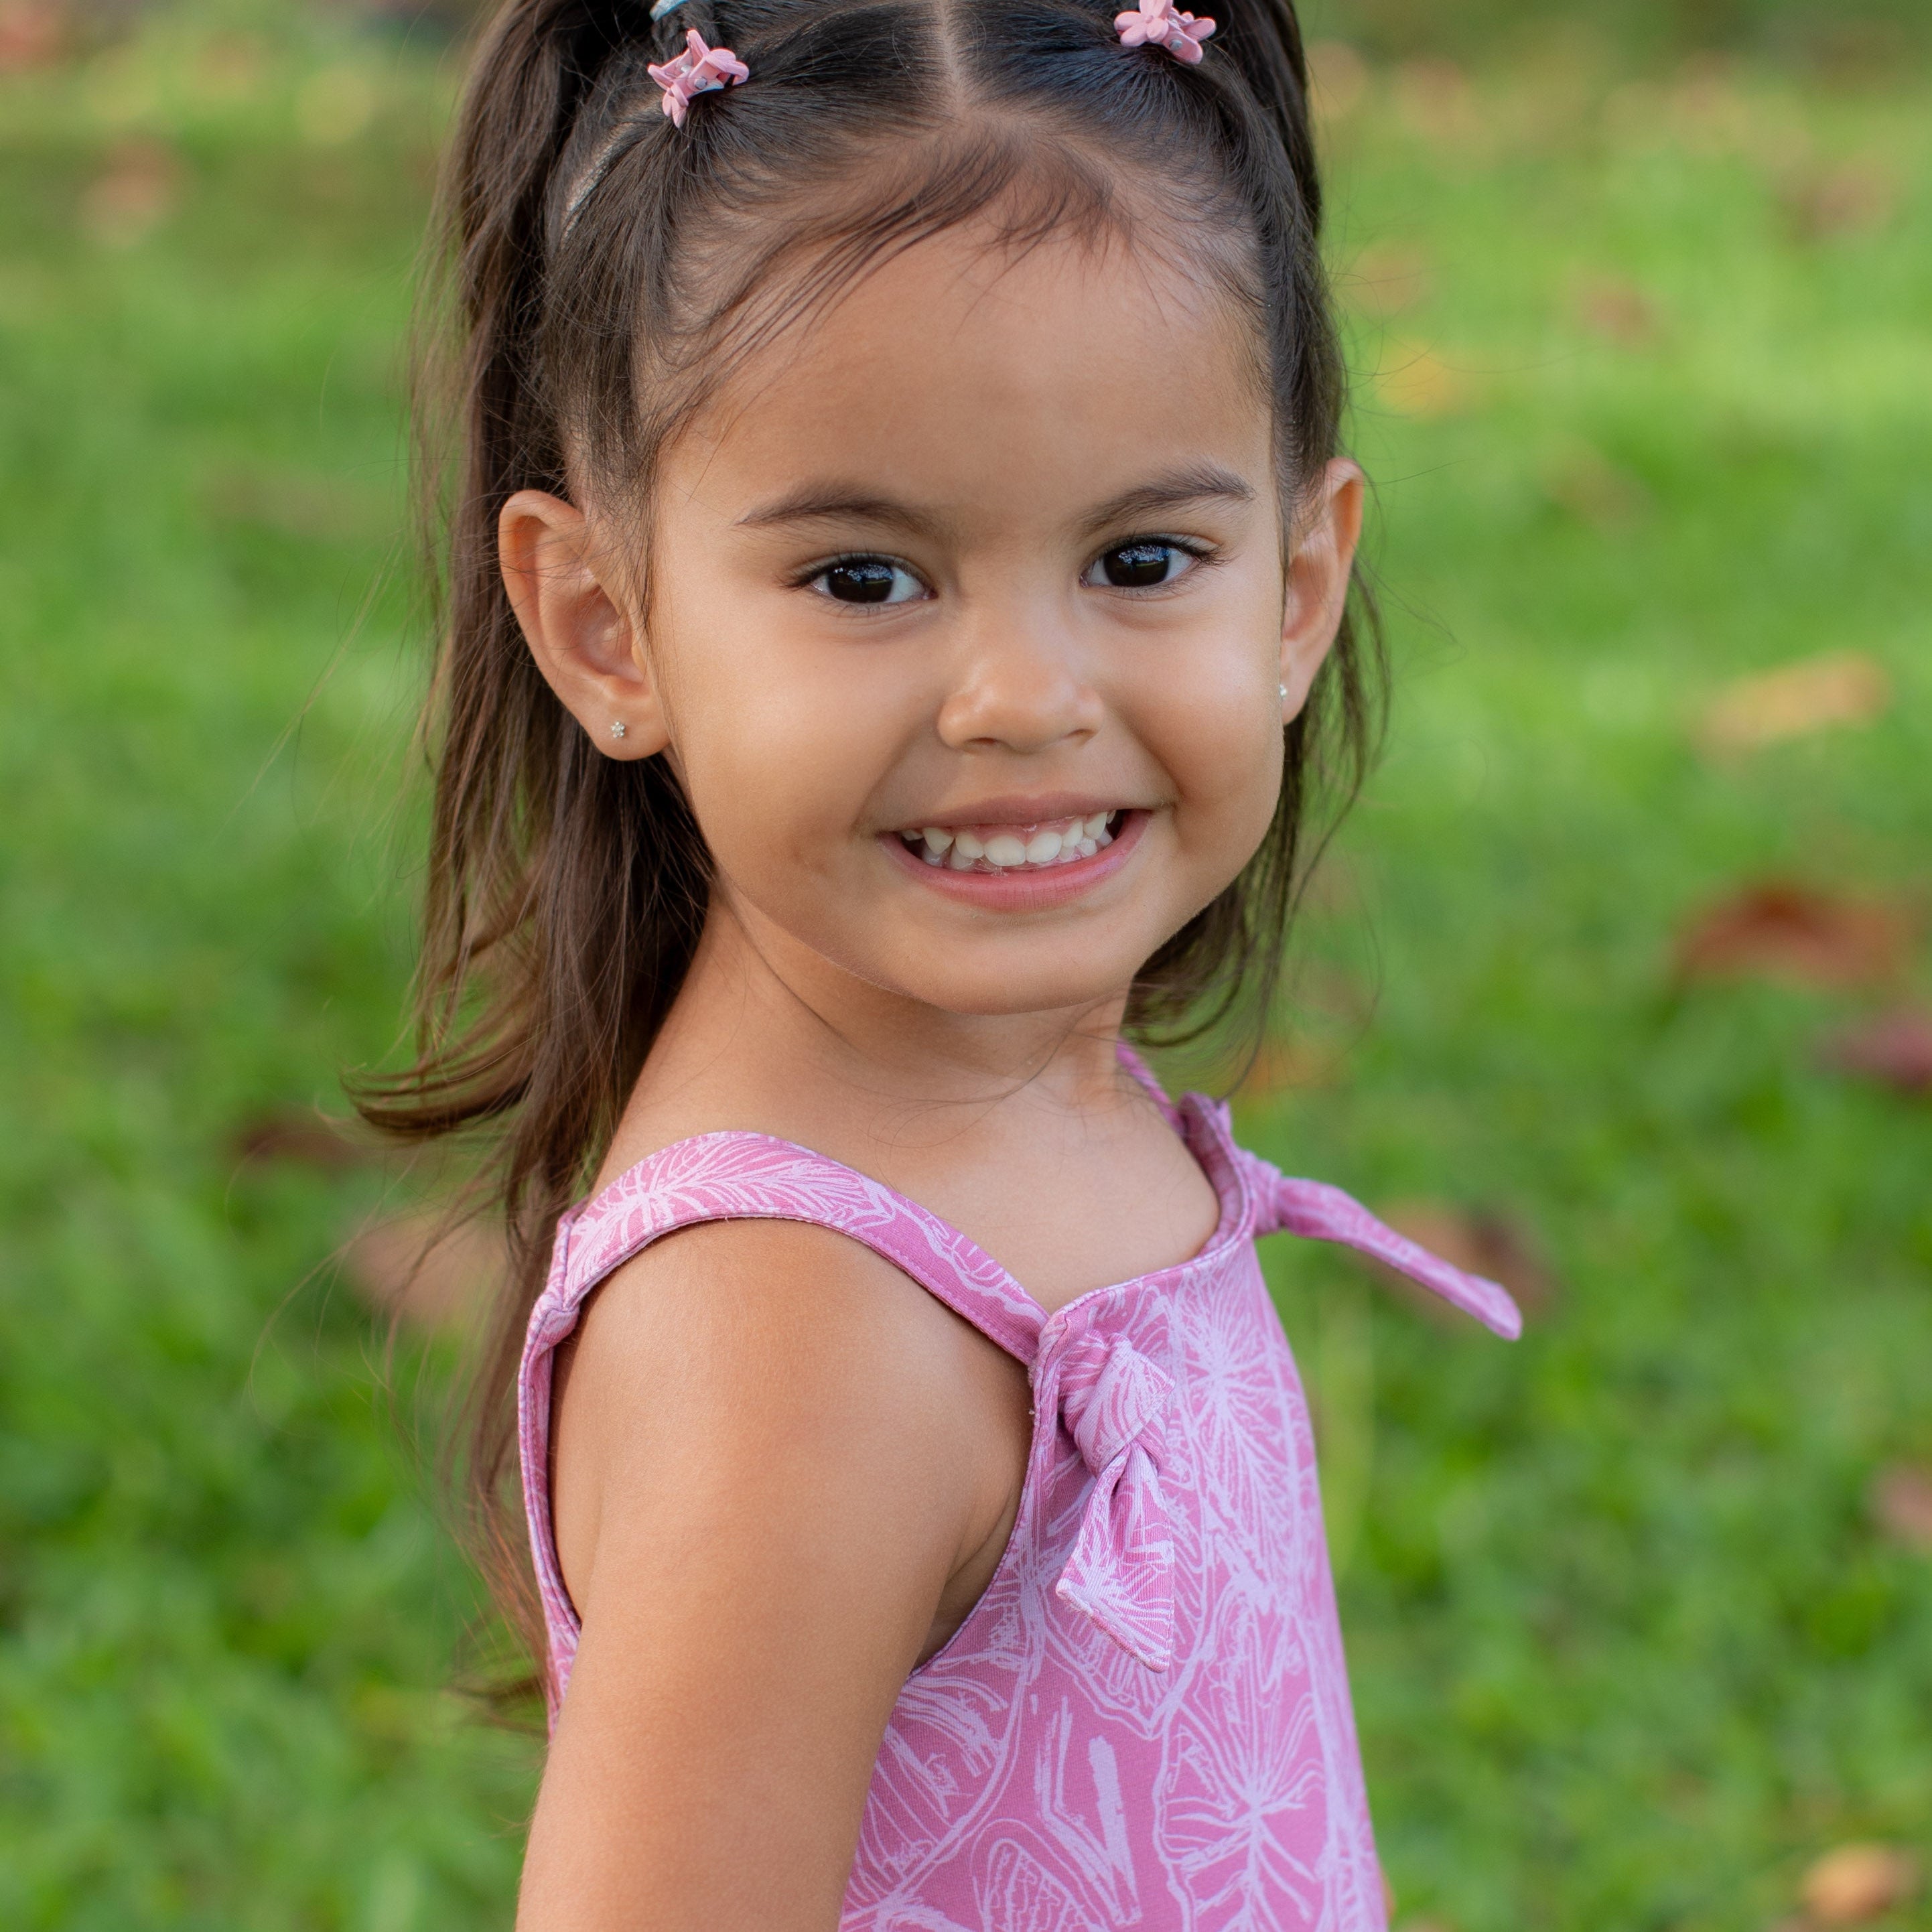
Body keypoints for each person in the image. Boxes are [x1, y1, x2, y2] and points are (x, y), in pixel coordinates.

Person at [361, 0, 1522, 1921]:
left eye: (1142, 559)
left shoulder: (1032, 1097)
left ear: (1300, 589)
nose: (1019, 699)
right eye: (863, 577)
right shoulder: (796, 1331)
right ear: (603, 623)